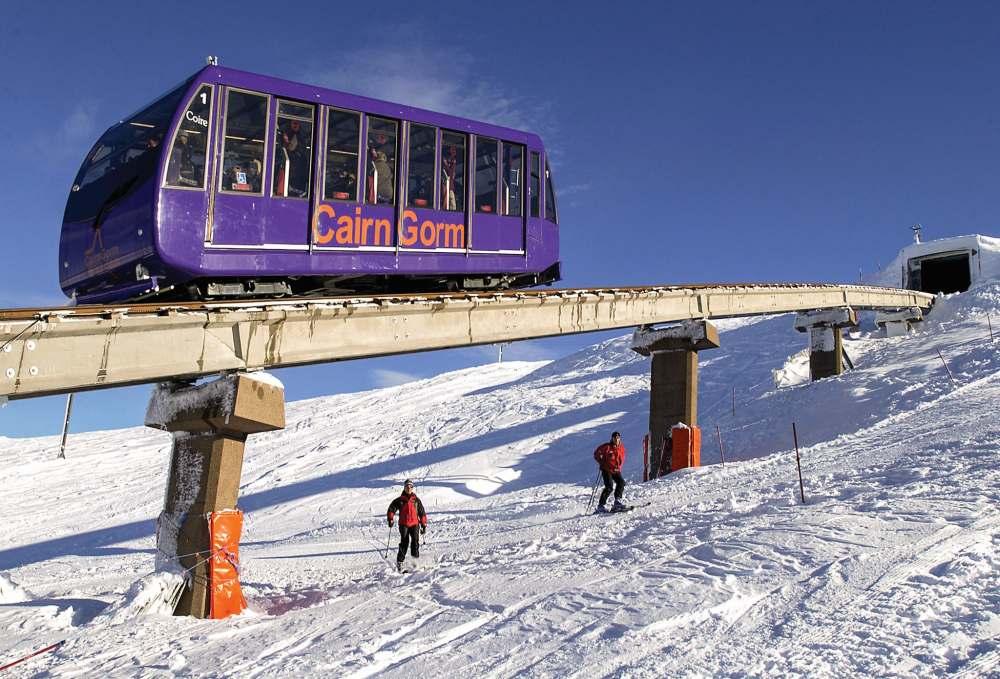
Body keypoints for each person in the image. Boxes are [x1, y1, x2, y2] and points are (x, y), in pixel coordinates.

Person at [386, 479, 428, 572]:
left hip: (415, 524)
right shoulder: (400, 500)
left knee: (415, 542)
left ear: (412, 488)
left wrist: (423, 524)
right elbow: (391, 509)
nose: (409, 488)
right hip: (403, 524)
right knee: (404, 543)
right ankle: (400, 562)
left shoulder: (416, 500)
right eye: (407, 487)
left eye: (410, 487)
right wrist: (390, 519)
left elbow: (422, 513)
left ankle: (415, 562)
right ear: (404, 488)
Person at [593, 431, 627, 512]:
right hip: (606, 469)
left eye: (618, 438)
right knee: (609, 487)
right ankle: (601, 506)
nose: (616, 439)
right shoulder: (607, 447)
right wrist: (601, 462)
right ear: (612, 438)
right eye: (615, 438)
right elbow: (596, 453)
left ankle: (617, 501)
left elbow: (622, 458)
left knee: (621, 482)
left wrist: (619, 467)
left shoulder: (621, 447)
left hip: (616, 470)